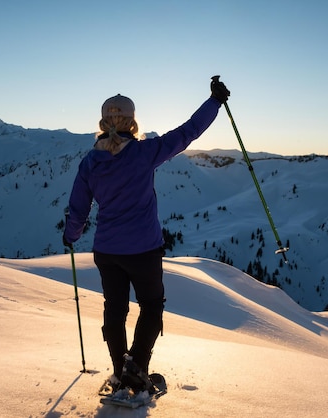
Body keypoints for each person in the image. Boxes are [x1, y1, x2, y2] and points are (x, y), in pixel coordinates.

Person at [63, 76, 230, 393]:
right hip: (143, 250)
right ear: (131, 121)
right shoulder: (143, 153)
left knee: (115, 310)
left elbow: (78, 209)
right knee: (151, 306)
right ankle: (136, 369)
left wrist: (71, 235)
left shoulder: (90, 163)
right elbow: (187, 133)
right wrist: (214, 102)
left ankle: (120, 373)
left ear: (103, 121)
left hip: (108, 252)